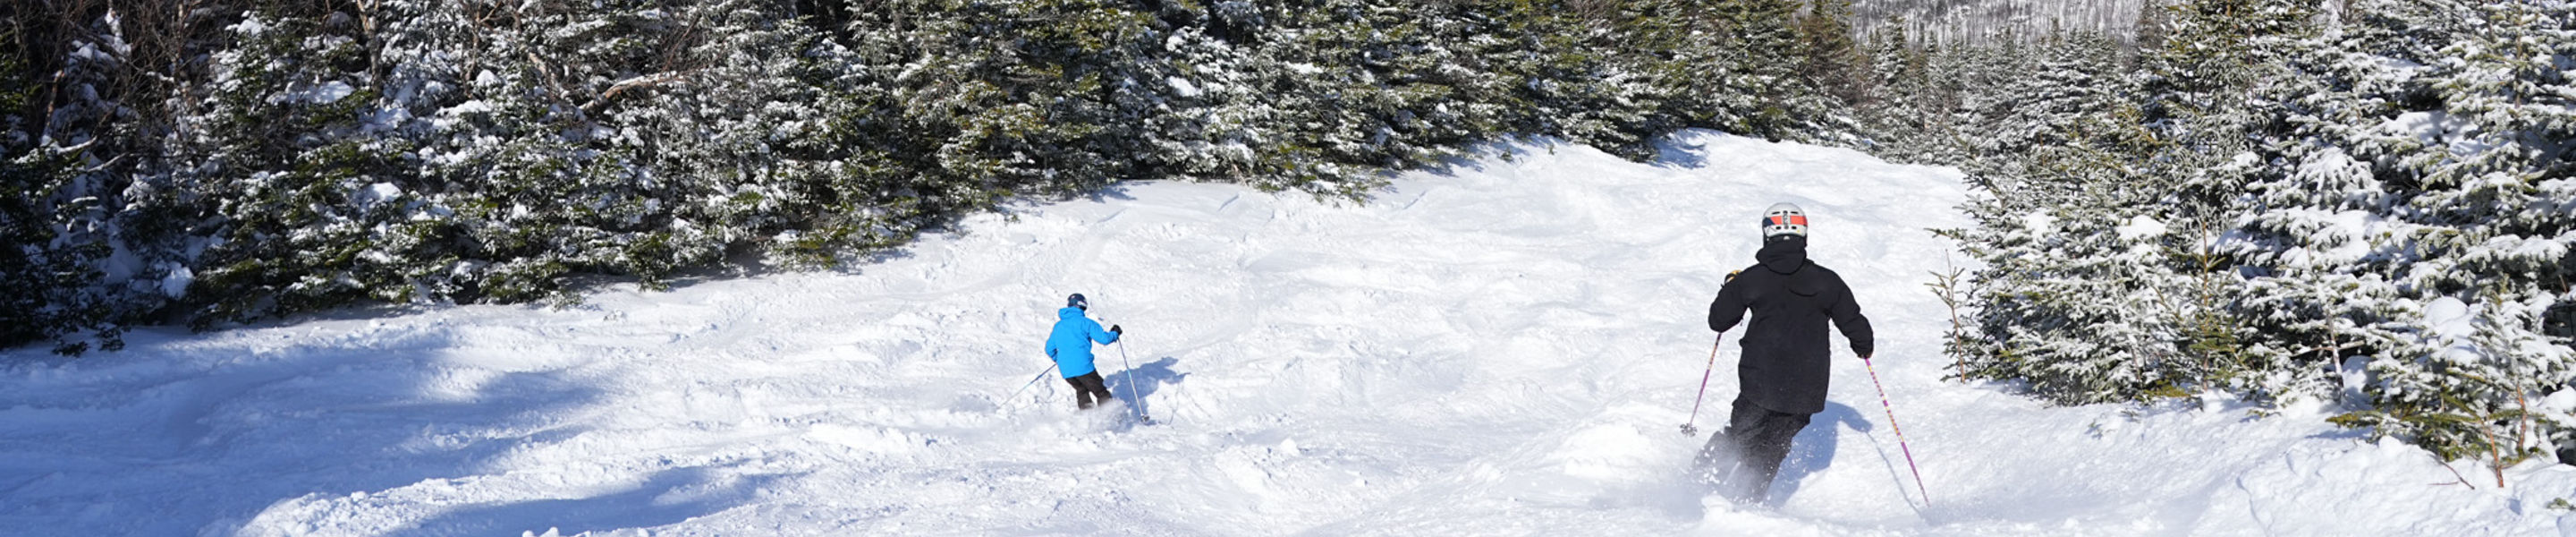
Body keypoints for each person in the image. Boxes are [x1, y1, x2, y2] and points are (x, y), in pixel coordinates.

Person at [1695, 202, 1875, 504]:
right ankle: (1747, 502)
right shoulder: (1827, 280)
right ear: (1803, 235)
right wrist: (1862, 346)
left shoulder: (1750, 279)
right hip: (1807, 385)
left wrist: (1730, 287)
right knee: (1773, 446)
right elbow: (1855, 324)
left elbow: (1719, 321)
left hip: (1759, 379)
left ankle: (1698, 485)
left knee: (1741, 434)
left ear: (1767, 235)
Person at [1046, 293, 1123, 410]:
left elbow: (1049, 348)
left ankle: (1088, 421)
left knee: (1082, 392)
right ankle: (1112, 419)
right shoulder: (1085, 322)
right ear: (1082, 306)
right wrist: (1115, 333)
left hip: (1066, 370)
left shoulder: (1059, 326)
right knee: (1101, 392)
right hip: (1083, 367)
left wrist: (1059, 359)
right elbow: (1104, 339)